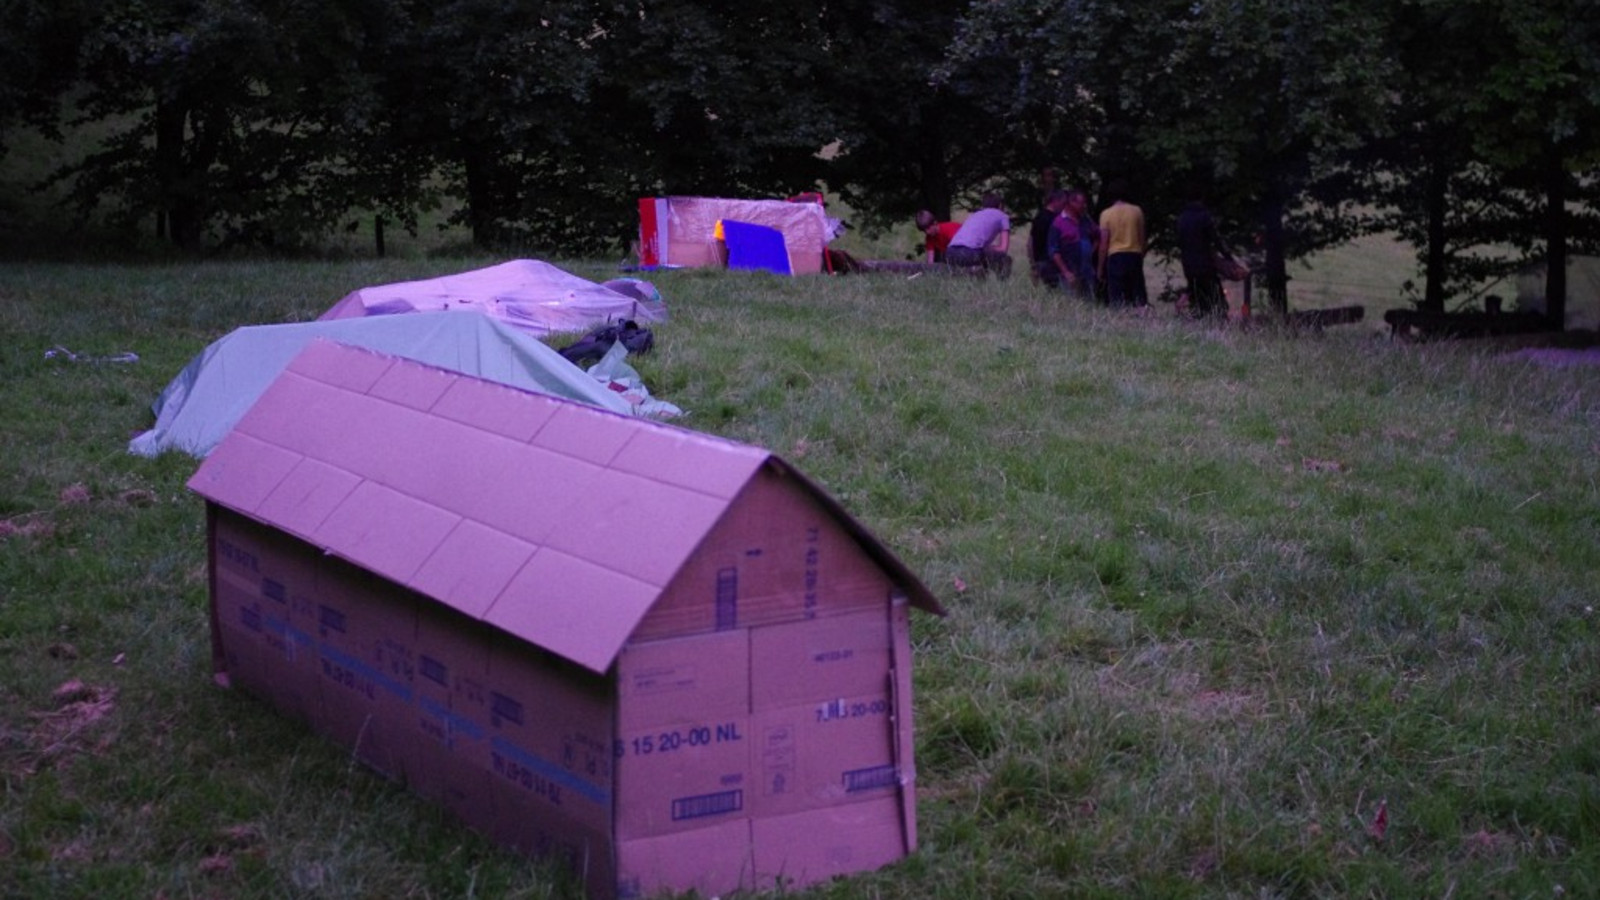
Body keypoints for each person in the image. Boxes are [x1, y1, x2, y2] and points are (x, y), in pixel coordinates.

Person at [1175, 188, 1240, 319]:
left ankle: (1201, 321)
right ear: (1201, 198)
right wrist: (1228, 258)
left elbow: (1180, 242)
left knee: (1197, 296)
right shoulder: (1205, 216)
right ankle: (1219, 322)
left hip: (1188, 264)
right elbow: (1216, 240)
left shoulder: (1181, 219)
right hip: (1205, 264)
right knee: (1216, 296)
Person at [1096, 180, 1148, 308]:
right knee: (1137, 291)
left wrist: (1100, 267)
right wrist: (1141, 255)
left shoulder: (1106, 214)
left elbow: (1103, 244)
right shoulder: (1137, 211)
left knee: (1116, 293)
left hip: (1115, 256)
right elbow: (1142, 238)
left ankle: (1120, 317)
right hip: (1134, 254)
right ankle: (1141, 315)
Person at [945, 192, 1013, 278]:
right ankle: (1002, 286)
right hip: (970, 253)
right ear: (1000, 205)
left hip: (950, 253)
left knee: (981, 257)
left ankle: (967, 274)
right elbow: (1003, 249)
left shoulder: (976, 214)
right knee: (1005, 259)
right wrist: (990, 248)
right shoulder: (1003, 216)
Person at [1048, 189, 1099, 300]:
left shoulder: (1086, 220)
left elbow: (1097, 235)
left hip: (1087, 272)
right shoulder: (1058, 223)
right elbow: (1053, 251)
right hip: (1070, 273)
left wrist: (1091, 251)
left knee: (1089, 304)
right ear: (1071, 203)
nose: (1084, 206)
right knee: (1071, 303)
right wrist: (1066, 272)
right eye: (1082, 203)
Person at [1029, 190, 1069, 286]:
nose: (1064, 207)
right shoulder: (1056, 220)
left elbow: (1030, 241)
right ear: (1055, 201)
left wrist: (1033, 263)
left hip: (1040, 261)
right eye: (1063, 203)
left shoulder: (1039, 217)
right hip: (1052, 262)